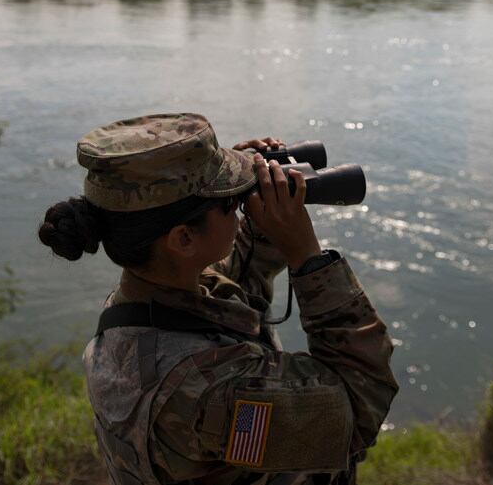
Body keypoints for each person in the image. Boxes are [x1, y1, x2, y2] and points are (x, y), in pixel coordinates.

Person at [38, 113, 398, 484]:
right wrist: (308, 257)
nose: (237, 208)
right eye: (229, 204)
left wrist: (260, 211)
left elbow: (235, 294)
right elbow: (360, 408)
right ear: (183, 239)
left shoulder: (138, 305)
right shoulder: (213, 390)